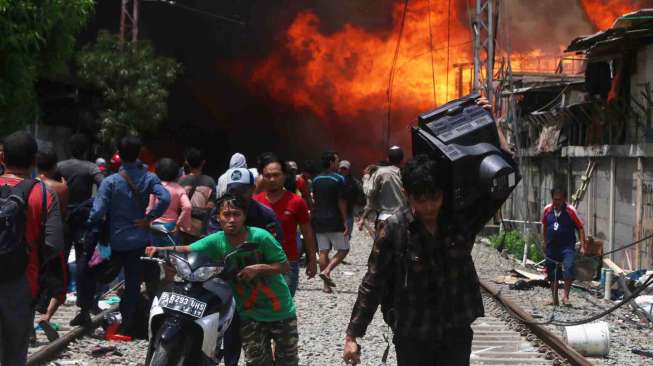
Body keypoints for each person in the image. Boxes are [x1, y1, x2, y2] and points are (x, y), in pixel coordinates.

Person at [343, 155, 484, 366]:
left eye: (434, 198)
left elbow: (494, 189)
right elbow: (373, 282)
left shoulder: (458, 223)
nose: (429, 207)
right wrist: (352, 335)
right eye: (420, 199)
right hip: (413, 334)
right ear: (406, 195)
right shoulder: (394, 230)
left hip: (455, 331)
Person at [146, 194, 299, 366]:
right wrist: (159, 249)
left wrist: (259, 269)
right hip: (249, 314)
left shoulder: (261, 237)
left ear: (244, 216)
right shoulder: (217, 240)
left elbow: (284, 266)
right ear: (218, 217)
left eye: (236, 214)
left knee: (288, 361)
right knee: (257, 363)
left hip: (280, 310)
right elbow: (188, 248)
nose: (232, 219)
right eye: (226, 214)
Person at [81, 135, 171, 335]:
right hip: (138, 240)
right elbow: (165, 197)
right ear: (139, 153)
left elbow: (97, 211)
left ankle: (87, 309)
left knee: (95, 272)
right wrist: (150, 217)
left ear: (119, 155)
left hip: (113, 241)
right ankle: (126, 324)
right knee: (132, 283)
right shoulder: (149, 178)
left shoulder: (110, 181)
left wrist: (89, 224)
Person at [206, 167, 283, 366]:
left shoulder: (266, 216)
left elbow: (276, 253)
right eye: (233, 190)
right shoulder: (220, 212)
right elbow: (210, 244)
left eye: (243, 190)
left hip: (261, 284)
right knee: (230, 326)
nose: (238, 195)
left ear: (252, 189)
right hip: (229, 281)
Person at [0, 131, 64, 365]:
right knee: (15, 352)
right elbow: (53, 244)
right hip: (23, 280)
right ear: (35, 161)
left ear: (2, 157)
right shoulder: (43, 194)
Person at [254, 154, 318, 296]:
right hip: (260, 263)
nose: (272, 179)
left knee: (285, 304)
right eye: (268, 175)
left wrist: (312, 260)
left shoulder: (296, 202)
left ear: (284, 176)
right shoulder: (255, 203)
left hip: (288, 262)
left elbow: (307, 232)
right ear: (261, 177)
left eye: (276, 175)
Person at [35, 150, 70, 342]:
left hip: (34, 238)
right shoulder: (61, 188)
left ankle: (29, 327)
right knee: (59, 283)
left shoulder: (30, 185)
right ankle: (46, 316)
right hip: (55, 237)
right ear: (54, 166)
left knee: (34, 281)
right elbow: (63, 212)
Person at [312, 151, 349, 293]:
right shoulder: (338, 179)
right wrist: (345, 220)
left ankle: (326, 286)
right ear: (331, 162)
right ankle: (327, 271)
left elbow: (314, 199)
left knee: (323, 251)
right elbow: (341, 201)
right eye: (337, 160)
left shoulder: (316, 180)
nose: (338, 163)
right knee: (344, 249)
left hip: (319, 219)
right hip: (334, 219)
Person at [542, 188, 586, 306]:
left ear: (564, 199)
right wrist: (545, 242)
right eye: (554, 199)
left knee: (569, 268)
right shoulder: (547, 209)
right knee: (552, 273)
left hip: (567, 247)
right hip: (552, 247)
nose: (556, 202)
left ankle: (565, 297)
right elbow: (545, 226)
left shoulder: (570, 211)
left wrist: (582, 245)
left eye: (559, 200)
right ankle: (554, 299)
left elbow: (580, 227)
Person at [358, 146, 406, 232]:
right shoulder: (407, 172)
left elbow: (369, 193)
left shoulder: (380, 173)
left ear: (388, 159)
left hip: (385, 217)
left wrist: (366, 177)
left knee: (382, 244)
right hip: (405, 217)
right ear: (402, 159)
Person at [147, 158, 191, 245]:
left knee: (154, 255)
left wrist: (149, 222)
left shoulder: (155, 187)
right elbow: (187, 206)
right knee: (172, 255)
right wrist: (179, 224)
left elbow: (150, 207)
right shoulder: (179, 189)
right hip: (171, 227)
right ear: (176, 173)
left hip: (154, 225)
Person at [178, 148, 216, 241]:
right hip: (201, 231)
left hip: (183, 228)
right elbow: (210, 209)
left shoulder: (181, 181)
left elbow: (178, 206)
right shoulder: (210, 182)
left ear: (187, 163)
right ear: (203, 162)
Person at [338, 160, 364, 246]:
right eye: (341, 168)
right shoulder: (335, 180)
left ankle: (340, 252)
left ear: (349, 170)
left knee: (347, 236)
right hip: (336, 212)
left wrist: (360, 210)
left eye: (345, 169)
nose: (343, 171)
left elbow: (361, 194)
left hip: (349, 212)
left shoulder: (354, 182)